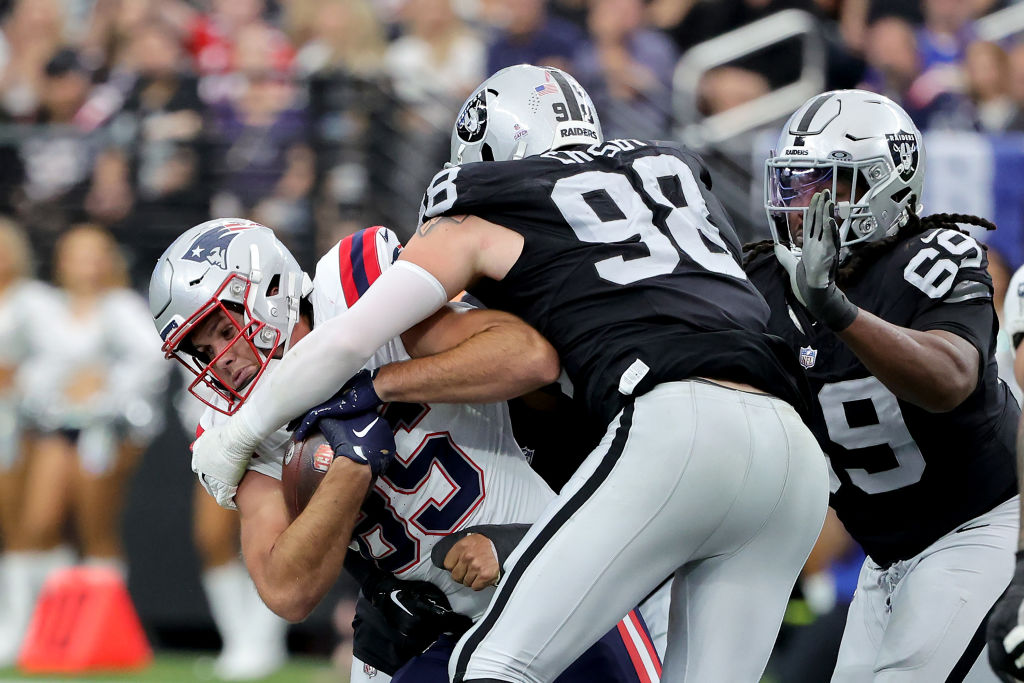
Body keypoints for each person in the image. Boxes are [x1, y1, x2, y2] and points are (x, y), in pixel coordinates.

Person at [188, 64, 830, 682]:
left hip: (668, 422)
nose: (219, 354)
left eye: (220, 326)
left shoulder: (470, 216)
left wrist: (266, 422)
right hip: (790, 441)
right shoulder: (669, 173)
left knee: (495, 670)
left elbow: (357, 339)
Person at [150, 219, 662, 683]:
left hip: (552, 580)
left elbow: (528, 359)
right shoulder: (233, 428)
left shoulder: (354, 298)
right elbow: (287, 592)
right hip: (430, 630)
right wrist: (353, 466)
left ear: (270, 290)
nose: (222, 359)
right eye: (202, 350)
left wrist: (380, 387)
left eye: (223, 329)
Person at [744, 88, 1018, 681]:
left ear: (886, 184)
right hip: (884, 555)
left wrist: (840, 312)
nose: (802, 207)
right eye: (793, 185)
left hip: (978, 524)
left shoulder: (932, 256)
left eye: (825, 184)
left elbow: (950, 379)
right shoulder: (763, 281)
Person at [2, 224, 166, 664]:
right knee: (39, 523)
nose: (86, 264)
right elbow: (28, 367)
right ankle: (32, 628)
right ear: (62, 261)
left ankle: (97, 631)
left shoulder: (122, 308)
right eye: (77, 254)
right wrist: (56, 388)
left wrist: (105, 386)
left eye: (95, 254)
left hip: (105, 432)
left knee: (96, 527)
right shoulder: (46, 309)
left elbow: (152, 360)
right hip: (54, 426)